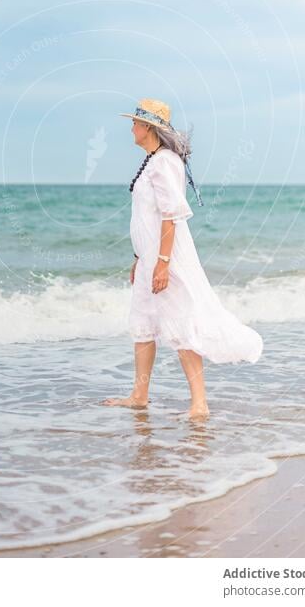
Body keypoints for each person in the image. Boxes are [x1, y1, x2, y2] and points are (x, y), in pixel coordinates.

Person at [103, 98, 263, 420]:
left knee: (181, 324)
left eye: (135, 122)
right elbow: (145, 217)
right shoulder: (152, 161)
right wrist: (140, 258)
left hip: (167, 259)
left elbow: (170, 216)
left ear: (148, 127)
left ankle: (199, 404)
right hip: (149, 258)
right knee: (144, 325)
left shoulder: (164, 162)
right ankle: (139, 395)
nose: (131, 127)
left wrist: (162, 262)